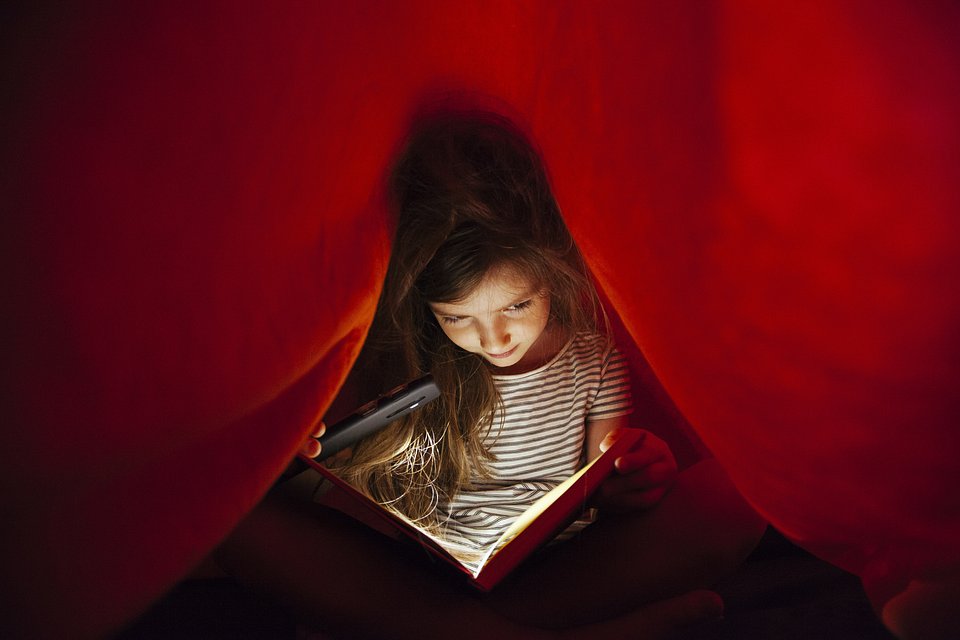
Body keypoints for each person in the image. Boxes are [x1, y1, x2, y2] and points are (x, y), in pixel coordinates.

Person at [215, 110, 766, 639]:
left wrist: (635, 479)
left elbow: (606, 483)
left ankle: (454, 631)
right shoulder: (404, 359)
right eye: (458, 317)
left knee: (736, 498)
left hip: (551, 569)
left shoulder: (592, 360)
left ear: (558, 273)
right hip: (415, 572)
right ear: (427, 309)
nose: (494, 339)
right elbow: (326, 468)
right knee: (236, 525)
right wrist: (312, 449)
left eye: (517, 306)